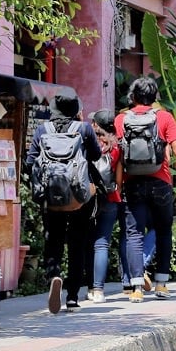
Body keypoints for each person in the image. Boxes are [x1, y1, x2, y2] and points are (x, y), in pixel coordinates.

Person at [117, 76, 176, 300]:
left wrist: (117, 186)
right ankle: (161, 284)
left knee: (134, 234)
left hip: (132, 182)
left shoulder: (121, 120)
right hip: (161, 182)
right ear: (155, 98)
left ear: (132, 97)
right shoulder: (164, 118)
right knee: (163, 231)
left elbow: (118, 157)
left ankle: (135, 288)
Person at [24, 94, 101, 313]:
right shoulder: (84, 129)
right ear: (75, 108)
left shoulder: (42, 130)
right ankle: (73, 297)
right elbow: (95, 155)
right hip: (79, 196)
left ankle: (54, 275)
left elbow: (30, 162)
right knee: (77, 245)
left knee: (53, 240)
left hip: (51, 197)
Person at [89, 110, 132, 304]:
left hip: (88, 197)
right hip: (110, 197)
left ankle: (90, 286)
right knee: (102, 243)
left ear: (96, 125)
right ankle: (99, 290)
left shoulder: (88, 142)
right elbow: (119, 178)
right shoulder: (117, 146)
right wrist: (116, 189)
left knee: (86, 242)